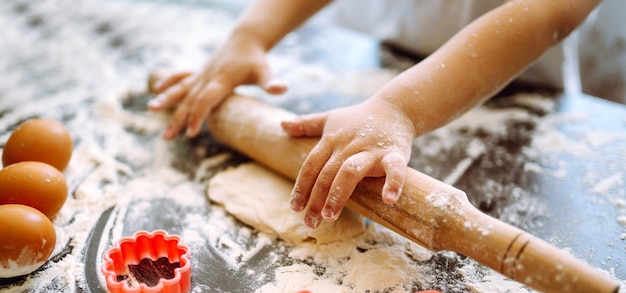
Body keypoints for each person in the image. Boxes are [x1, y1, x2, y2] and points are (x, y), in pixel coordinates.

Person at [148, 0, 602, 229]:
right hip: (390, 64)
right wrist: (251, 33)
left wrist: (398, 108)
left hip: (516, 93)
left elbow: (549, 10)